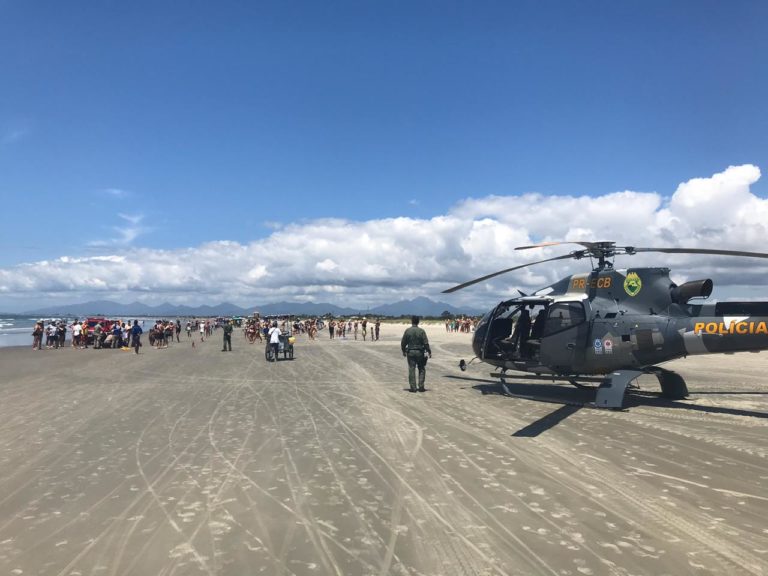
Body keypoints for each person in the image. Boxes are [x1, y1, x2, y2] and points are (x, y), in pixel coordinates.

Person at [401, 316, 432, 392]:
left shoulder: (408, 331)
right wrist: (429, 351)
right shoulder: (421, 331)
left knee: (411, 369)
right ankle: (421, 386)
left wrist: (404, 351)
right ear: (418, 322)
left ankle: (413, 387)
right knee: (421, 369)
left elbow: (403, 343)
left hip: (410, 352)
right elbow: (426, 343)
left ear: (412, 321)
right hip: (420, 352)